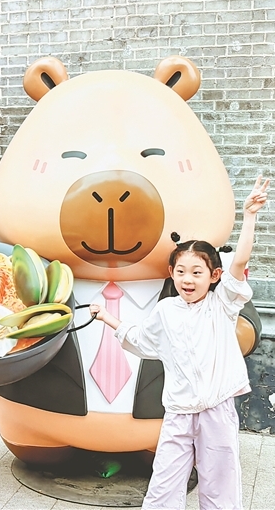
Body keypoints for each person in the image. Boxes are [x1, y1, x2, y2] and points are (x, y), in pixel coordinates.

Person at [90, 175, 270, 510]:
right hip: (177, 412)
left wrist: (249, 216)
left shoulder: (222, 304)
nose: (188, 279)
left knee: (220, 482)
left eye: (197, 272)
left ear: (214, 276)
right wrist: (106, 317)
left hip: (216, 409)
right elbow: (141, 339)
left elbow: (240, 262)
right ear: (172, 273)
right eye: (181, 271)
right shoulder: (166, 310)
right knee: (164, 482)